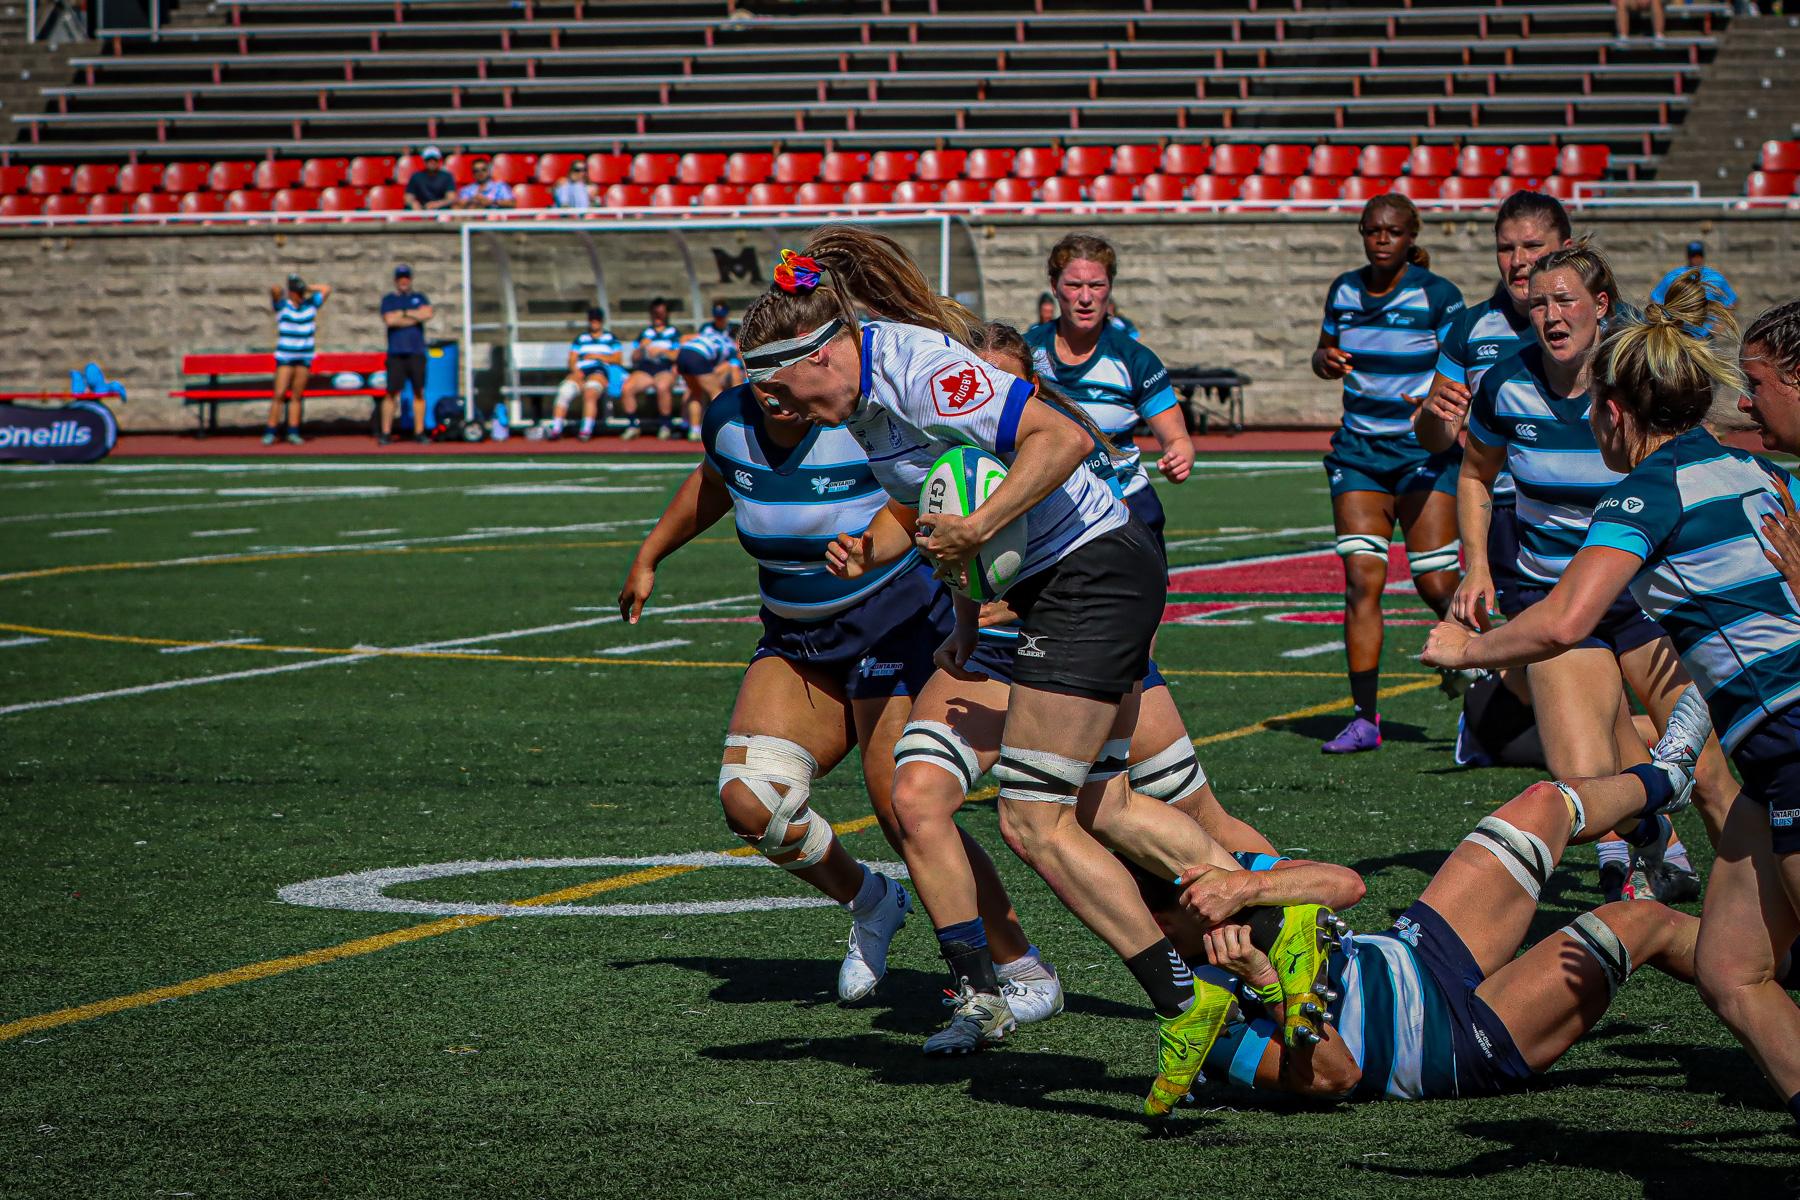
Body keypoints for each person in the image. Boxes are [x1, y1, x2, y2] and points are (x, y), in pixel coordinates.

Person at [738, 229, 1333, 1111]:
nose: (775, 404)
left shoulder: (919, 369)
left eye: (778, 382)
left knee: (1033, 821)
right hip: (1058, 583)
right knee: (1108, 804)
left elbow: (1057, 439)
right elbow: (933, 502)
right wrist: (968, 618)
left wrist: (979, 535)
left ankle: (1184, 998)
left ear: (825, 351)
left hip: (1095, 569)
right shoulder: (858, 402)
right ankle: (1284, 925)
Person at [826, 320, 1277, 1062]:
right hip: (1000, 657)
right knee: (918, 799)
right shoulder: (939, 437)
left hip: (1083, 647)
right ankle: (990, 989)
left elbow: (1106, 555)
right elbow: (944, 535)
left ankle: (1283, 922)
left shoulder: (1054, 440)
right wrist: (951, 612)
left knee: (1160, 810)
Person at [1420, 276, 1800, 1137]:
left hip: (1792, 738)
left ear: (1618, 412)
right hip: (1770, 753)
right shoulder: (1755, 467)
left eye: (1596, 413)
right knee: (1731, 968)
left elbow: (1566, 619)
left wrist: (1466, 649)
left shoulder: (1645, 491)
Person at [616, 379, 1058, 1018]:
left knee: (903, 808)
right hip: (795, 634)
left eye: (792, 366)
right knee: (751, 799)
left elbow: (928, 491)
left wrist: (872, 546)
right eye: (764, 373)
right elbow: (716, 482)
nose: (779, 389)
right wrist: (651, 554)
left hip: (897, 623)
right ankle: (872, 900)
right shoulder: (728, 418)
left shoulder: (863, 411)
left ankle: (1019, 966)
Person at [1138, 700, 1710, 1106]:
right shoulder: (1197, 1011)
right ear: (1162, 923)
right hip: (1453, 1043)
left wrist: (1251, 884)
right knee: (1639, 921)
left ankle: (1667, 777)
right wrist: (1267, 981)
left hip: (1418, 949)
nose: (1208, 889)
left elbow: (1347, 886)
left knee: (1543, 803)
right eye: (1193, 894)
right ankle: (1765, 972)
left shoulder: (1229, 880)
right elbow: (1337, 1078)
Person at [1450, 242, 1736, 904]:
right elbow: (1473, 474)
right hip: (1551, 597)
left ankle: (1765, 904)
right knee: (1584, 779)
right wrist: (1474, 567)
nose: (1549, 313)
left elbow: (1693, 457)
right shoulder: (1504, 384)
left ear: (1600, 307)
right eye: (1538, 301)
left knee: (1713, 773)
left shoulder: (1633, 375)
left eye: (1564, 299)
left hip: (1641, 597)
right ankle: (1644, 839)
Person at [1311, 193, 1467, 753]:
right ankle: (1364, 719)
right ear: (1361, 232)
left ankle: (1496, 670)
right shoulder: (1344, 290)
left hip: (1422, 454)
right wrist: (1324, 361)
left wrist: (1435, 401)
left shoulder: (1439, 295)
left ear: (1410, 236)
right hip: (1358, 455)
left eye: (1394, 231)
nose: (1382, 239)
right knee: (1361, 582)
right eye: (1373, 230)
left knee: (1434, 581)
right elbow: (1324, 352)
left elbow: (1464, 367)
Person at [1024, 233, 1194, 566]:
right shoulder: (1024, 352)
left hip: (1125, 506)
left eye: (1097, 286)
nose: (1085, 298)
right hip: (1046, 509)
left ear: (1110, 288)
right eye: (1074, 285)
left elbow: (1176, 437)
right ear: (1054, 286)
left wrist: (1179, 456)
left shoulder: (1135, 359)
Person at [264, 274, 330, 447]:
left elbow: (326, 289)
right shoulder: (283, 306)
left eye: (301, 293)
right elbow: (274, 290)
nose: (300, 296)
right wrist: (286, 289)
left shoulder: (310, 305)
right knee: (279, 394)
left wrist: (307, 287)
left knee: (296, 396)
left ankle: (293, 431)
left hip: (303, 357)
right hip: (286, 357)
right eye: (297, 292)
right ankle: (271, 431)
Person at [378, 264, 432, 446]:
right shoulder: (389, 300)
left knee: (419, 391)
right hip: (396, 353)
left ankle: (419, 431)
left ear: (411, 280)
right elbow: (390, 320)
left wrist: (404, 314)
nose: (404, 281)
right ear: (396, 281)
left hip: (416, 352)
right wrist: (412, 318)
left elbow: (427, 313)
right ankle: (386, 432)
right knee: (391, 392)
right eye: (401, 278)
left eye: (406, 278)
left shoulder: (419, 297)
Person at [550, 307, 623, 442]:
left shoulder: (611, 338)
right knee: (564, 391)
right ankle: (556, 429)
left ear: (602, 321)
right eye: (592, 320)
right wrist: (576, 371)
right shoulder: (581, 338)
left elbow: (617, 359)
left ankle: (586, 430)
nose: (594, 322)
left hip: (599, 370)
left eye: (597, 320)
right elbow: (572, 358)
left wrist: (598, 356)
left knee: (590, 392)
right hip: (582, 370)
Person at [674, 299, 744, 440]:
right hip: (698, 357)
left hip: (684, 353)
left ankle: (693, 430)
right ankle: (725, 429)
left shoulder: (710, 334)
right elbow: (731, 362)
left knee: (696, 393)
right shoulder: (728, 344)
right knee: (717, 394)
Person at [621, 298, 682, 440]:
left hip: (665, 369)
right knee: (627, 387)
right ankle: (632, 426)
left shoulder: (673, 333)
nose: (658, 316)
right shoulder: (645, 334)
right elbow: (634, 359)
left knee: (662, 386)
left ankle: (665, 426)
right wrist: (642, 348)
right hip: (646, 370)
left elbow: (677, 355)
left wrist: (662, 351)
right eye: (655, 313)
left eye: (661, 313)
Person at [1650, 241, 1737, 322]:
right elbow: (1656, 297)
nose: (1696, 258)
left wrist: (1721, 325)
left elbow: (1731, 300)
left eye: (1699, 255)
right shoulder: (1674, 276)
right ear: (1688, 256)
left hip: (1705, 333)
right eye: (1693, 255)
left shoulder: (1715, 277)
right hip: (1681, 331)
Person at [403, 146, 456, 212]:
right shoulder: (416, 176)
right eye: (429, 160)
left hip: (441, 210)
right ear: (424, 161)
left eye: (434, 159)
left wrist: (437, 204)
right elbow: (408, 196)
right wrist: (413, 203)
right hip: (422, 209)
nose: (432, 162)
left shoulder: (447, 176)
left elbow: (451, 198)